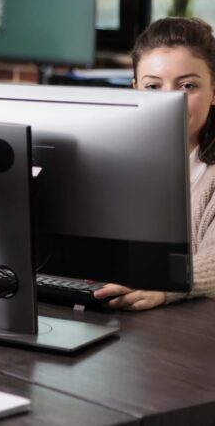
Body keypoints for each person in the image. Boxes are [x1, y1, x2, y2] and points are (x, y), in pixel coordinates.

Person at [92, 17, 215, 310]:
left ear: (213, 91)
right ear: (135, 89)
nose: (170, 100)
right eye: (153, 86)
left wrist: (164, 281)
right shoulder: (111, 165)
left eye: (187, 85)